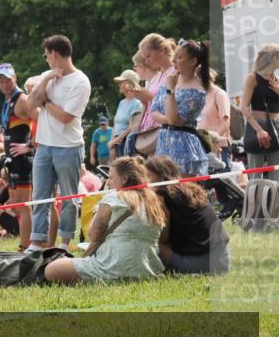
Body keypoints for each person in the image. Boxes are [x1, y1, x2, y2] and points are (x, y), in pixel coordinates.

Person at [44, 157, 166, 285]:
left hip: (110, 267)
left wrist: (96, 211)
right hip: (147, 270)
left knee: (51, 269)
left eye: (112, 177)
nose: (108, 181)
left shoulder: (113, 197)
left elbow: (92, 235)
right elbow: (163, 238)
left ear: (124, 179)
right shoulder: (154, 202)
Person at [23, 35, 92, 250]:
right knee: (40, 196)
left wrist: (45, 101)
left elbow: (65, 117)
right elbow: (30, 103)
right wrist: (46, 79)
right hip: (44, 145)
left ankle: (64, 243)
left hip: (69, 147)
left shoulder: (81, 81)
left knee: (69, 197)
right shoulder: (47, 75)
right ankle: (36, 242)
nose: (46, 60)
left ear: (54, 54)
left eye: (46, 56)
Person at [144, 156, 230, 275]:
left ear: (161, 176)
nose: (144, 181)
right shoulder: (192, 189)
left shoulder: (161, 196)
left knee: (154, 242)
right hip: (223, 261)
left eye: (148, 176)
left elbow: (162, 238)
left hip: (200, 266)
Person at [151, 39, 210, 177]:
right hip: (164, 143)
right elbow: (154, 111)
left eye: (179, 57)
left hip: (184, 148)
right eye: (174, 56)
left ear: (193, 61)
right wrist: (169, 119)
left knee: (182, 192)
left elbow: (176, 120)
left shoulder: (196, 91)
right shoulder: (170, 80)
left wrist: (171, 90)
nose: (174, 61)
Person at [0, 62, 34, 250]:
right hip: (13, 161)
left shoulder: (22, 99)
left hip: (23, 161)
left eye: (8, 81)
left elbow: (41, 118)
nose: (4, 85)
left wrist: (30, 146)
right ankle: (26, 243)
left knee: (23, 206)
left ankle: (26, 246)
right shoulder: (7, 100)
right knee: (18, 205)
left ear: (15, 78)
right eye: (1, 82)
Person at [240, 43, 279, 181]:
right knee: (256, 174)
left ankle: (275, 202)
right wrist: (258, 130)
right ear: (273, 57)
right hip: (257, 127)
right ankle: (254, 203)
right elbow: (244, 107)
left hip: (276, 126)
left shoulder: (276, 81)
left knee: (277, 173)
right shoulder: (253, 78)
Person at [133, 34, 177, 154]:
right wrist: (144, 99)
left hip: (168, 133)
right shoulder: (162, 75)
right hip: (154, 133)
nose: (147, 61)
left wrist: (150, 97)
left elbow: (175, 103)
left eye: (149, 56)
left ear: (162, 50)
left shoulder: (174, 73)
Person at [198, 72, 232, 167]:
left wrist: (213, 141)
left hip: (219, 147)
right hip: (204, 147)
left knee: (223, 179)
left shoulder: (220, 94)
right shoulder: (201, 95)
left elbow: (225, 123)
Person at [109, 70, 143, 158]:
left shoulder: (137, 103)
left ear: (130, 84)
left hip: (127, 143)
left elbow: (132, 126)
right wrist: (112, 145)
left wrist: (116, 140)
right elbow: (116, 125)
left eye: (121, 82)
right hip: (117, 143)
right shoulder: (121, 103)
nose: (118, 85)